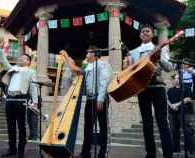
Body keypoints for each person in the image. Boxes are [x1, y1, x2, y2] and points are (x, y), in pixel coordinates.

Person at [124, 24, 174, 158]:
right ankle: (150, 153)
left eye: (148, 31)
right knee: (147, 123)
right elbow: (131, 73)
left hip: (158, 88)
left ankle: (168, 154)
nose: (145, 33)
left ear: (152, 35)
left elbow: (169, 68)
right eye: (143, 31)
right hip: (143, 89)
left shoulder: (160, 49)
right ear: (140, 35)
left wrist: (159, 58)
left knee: (162, 121)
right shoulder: (133, 52)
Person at [61, 46, 112, 158]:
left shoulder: (103, 64)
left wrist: (100, 99)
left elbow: (104, 82)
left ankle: (102, 153)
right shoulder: (88, 66)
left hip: (100, 98)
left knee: (102, 126)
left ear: (94, 53)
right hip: (90, 99)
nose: (86, 54)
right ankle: (85, 151)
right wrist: (67, 58)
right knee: (87, 126)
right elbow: (76, 70)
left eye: (88, 52)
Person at [0, 43, 38, 158]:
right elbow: (4, 62)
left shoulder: (31, 72)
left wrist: (35, 102)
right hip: (10, 100)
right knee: (10, 126)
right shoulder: (13, 68)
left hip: (21, 100)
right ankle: (12, 149)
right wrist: (1, 50)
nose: (21, 59)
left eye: (24, 58)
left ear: (28, 62)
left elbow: (33, 87)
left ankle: (21, 151)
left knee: (22, 127)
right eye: (20, 58)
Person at [167, 74, 192, 153]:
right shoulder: (170, 90)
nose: (177, 80)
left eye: (178, 78)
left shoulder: (186, 88)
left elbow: (188, 99)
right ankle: (176, 149)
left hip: (183, 112)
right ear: (173, 80)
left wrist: (177, 104)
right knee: (174, 131)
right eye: (175, 78)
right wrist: (171, 106)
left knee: (187, 131)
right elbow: (166, 99)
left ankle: (191, 149)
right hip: (172, 113)